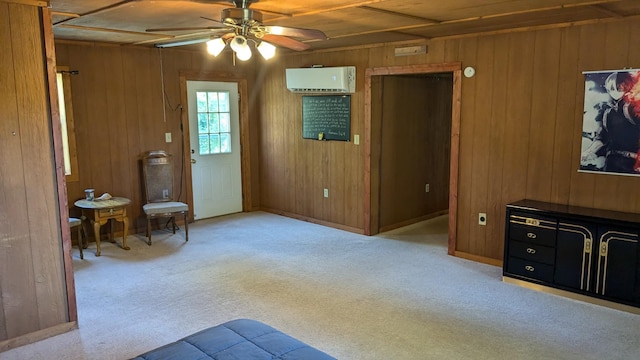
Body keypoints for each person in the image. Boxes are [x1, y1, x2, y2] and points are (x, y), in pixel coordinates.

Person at [581, 71, 640, 174]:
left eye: (622, 84)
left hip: (632, 164)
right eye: (619, 85)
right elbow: (603, 137)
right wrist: (588, 152)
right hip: (612, 162)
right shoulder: (608, 113)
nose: (621, 87)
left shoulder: (633, 107)